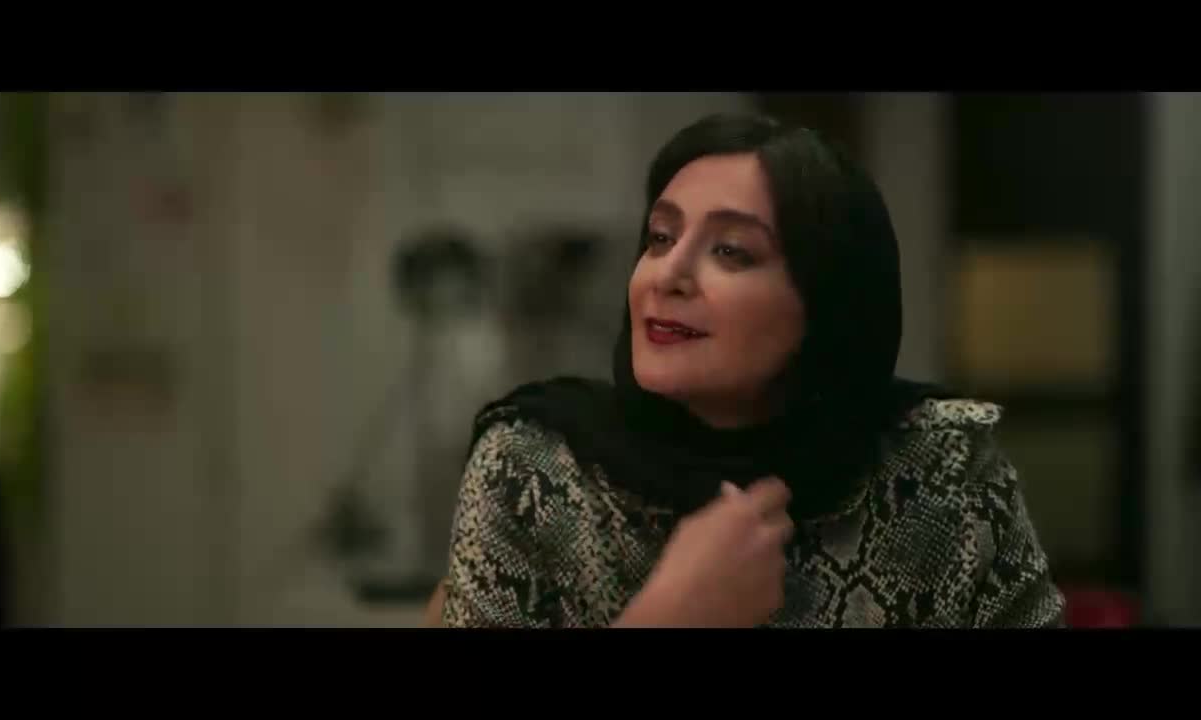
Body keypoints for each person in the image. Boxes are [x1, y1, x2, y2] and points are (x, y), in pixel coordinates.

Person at [437, 111, 1066, 628]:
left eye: (731, 251)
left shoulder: (942, 468)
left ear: (826, 302)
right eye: (660, 238)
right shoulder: (533, 471)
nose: (667, 275)